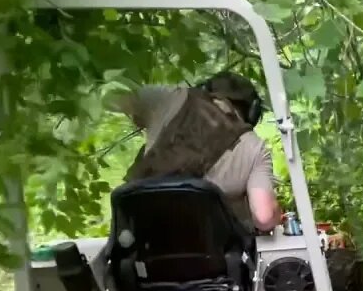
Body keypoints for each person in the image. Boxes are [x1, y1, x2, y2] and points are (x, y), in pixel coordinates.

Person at [111, 72, 281, 233]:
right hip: (207, 256)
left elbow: (109, 95)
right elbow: (264, 218)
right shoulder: (254, 147)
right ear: (252, 112)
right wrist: (276, 211)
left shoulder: (168, 98)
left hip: (142, 246)